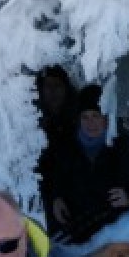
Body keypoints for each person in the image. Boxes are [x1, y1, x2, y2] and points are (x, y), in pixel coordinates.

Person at [48, 84, 129, 245]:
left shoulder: (126, 145)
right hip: (75, 236)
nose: (90, 123)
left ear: (106, 118)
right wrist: (56, 198)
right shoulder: (66, 146)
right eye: (85, 117)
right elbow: (54, 178)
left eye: (95, 116)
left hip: (119, 234)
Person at [34, 66, 80, 235]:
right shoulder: (33, 122)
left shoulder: (77, 121)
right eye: (48, 86)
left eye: (58, 86)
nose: (53, 91)